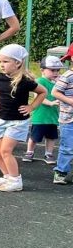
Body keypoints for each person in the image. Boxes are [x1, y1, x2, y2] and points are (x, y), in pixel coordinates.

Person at [0, 45, 46, 193]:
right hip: (1, 120)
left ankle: (16, 180)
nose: (1, 64)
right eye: (0, 61)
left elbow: (42, 92)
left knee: (5, 151)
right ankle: (7, 176)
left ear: (18, 63)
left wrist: (31, 107)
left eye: (6, 61)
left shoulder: (25, 81)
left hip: (18, 121)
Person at [23, 55, 62, 164]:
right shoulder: (40, 81)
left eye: (57, 70)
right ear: (42, 70)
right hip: (40, 117)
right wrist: (50, 103)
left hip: (52, 116)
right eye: (52, 70)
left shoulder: (56, 84)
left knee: (51, 137)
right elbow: (37, 97)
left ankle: (48, 153)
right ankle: (29, 152)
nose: (56, 73)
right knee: (35, 136)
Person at [52, 48, 73, 185]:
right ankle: (61, 172)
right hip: (68, 119)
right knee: (68, 147)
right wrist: (70, 101)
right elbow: (55, 92)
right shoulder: (68, 75)